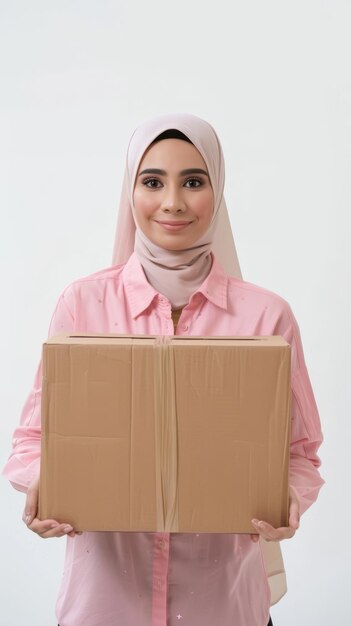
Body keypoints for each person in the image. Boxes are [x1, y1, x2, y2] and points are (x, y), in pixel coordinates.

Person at [2, 113, 324, 626]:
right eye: (152, 181)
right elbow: (31, 439)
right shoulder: (82, 304)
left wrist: (288, 499)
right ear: (130, 191)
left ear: (217, 192)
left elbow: (302, 452)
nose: (172, 201)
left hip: (224, 607)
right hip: (104, 606)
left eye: (193, 181)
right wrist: (46, 484)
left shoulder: (267, 317)